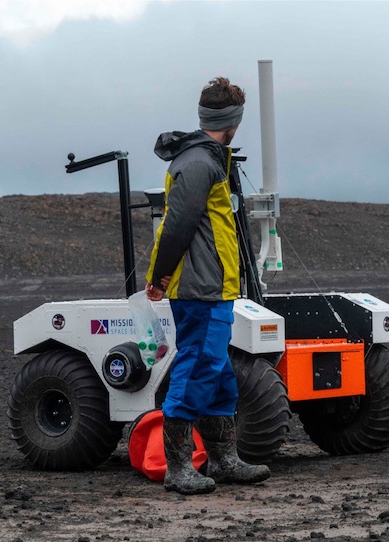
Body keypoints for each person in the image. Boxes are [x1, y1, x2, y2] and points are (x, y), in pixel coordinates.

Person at [145, 76, 270, 495]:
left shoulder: (209, 158)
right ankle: (177, 468)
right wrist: (160, 276)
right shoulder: (199, 163)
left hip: (213, 288)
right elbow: (177, 224)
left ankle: (223, 460)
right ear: (232, 120)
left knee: (218, 375)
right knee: (197, 368)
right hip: (199, 288)